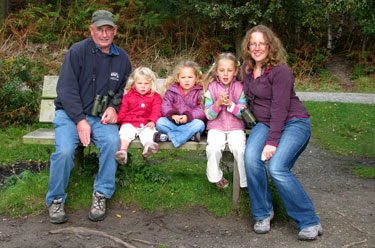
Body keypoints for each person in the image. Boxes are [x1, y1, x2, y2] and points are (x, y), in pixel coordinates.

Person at [46, 10, 132, 224]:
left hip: (101, 118)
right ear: (91, 30)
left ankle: (101, 194)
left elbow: (124, 89)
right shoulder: (77, 52)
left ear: (115, 31)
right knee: (65, 151)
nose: (104, 34)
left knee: (113, 142)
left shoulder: (122, 59)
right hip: (70, 115)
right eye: (100, 30)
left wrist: (114, 107)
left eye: (108, 30)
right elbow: (66, 90)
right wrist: (79, 120)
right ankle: (55, 199)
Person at [241, 24, 323, 240]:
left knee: (277, 167)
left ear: (270, 46)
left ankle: (309, 221)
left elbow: (280, 109)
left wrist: (272, 142)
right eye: (253, 43)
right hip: (266, 123)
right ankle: (263, 213)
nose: (257, 48)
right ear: (248, 47)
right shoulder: (246, 69)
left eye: (262, 43)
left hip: (294, 122)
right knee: (250, 158)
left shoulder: (281, 71)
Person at [203, 52, 248, 189]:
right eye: (222, 70)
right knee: (213, 148)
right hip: (216, 126)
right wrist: (217, 104)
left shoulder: (240, 88)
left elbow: (242, 113)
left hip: (236, 127)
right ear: (216, 71)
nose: (225, 74)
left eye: (229, 70)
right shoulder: (211, 88)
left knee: (239, 149)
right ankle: (216, 177)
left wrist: (231, 105)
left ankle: (244, 182)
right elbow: (208, 115)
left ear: (235, 72)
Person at [115, 67, 162, 164]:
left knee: (149, 132)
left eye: (146, 83)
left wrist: (153, 121)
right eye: (139, 83)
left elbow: (157, 110)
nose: (143, 86)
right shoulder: (128, 97)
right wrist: (116, 120)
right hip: (130, 122)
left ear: (151, 84)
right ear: (134, 84)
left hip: (146, 123)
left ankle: (148, 147)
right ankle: (123, 151)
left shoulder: (155, 97)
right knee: (125, 131)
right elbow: (123, 111)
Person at [155, 60, 206, 147]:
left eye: (190, 77)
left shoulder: (200, 91)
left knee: (200, 124)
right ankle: (189, 136)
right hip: (174, 123)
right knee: (160, 122)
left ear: (196, 78)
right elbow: (165, 106)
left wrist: (188, 117)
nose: (186, 80)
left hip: (191, 123)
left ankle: (169, 137)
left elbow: (201, 109)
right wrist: (173, 115)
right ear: (177, 78)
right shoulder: (172, 90)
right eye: (183, 77)